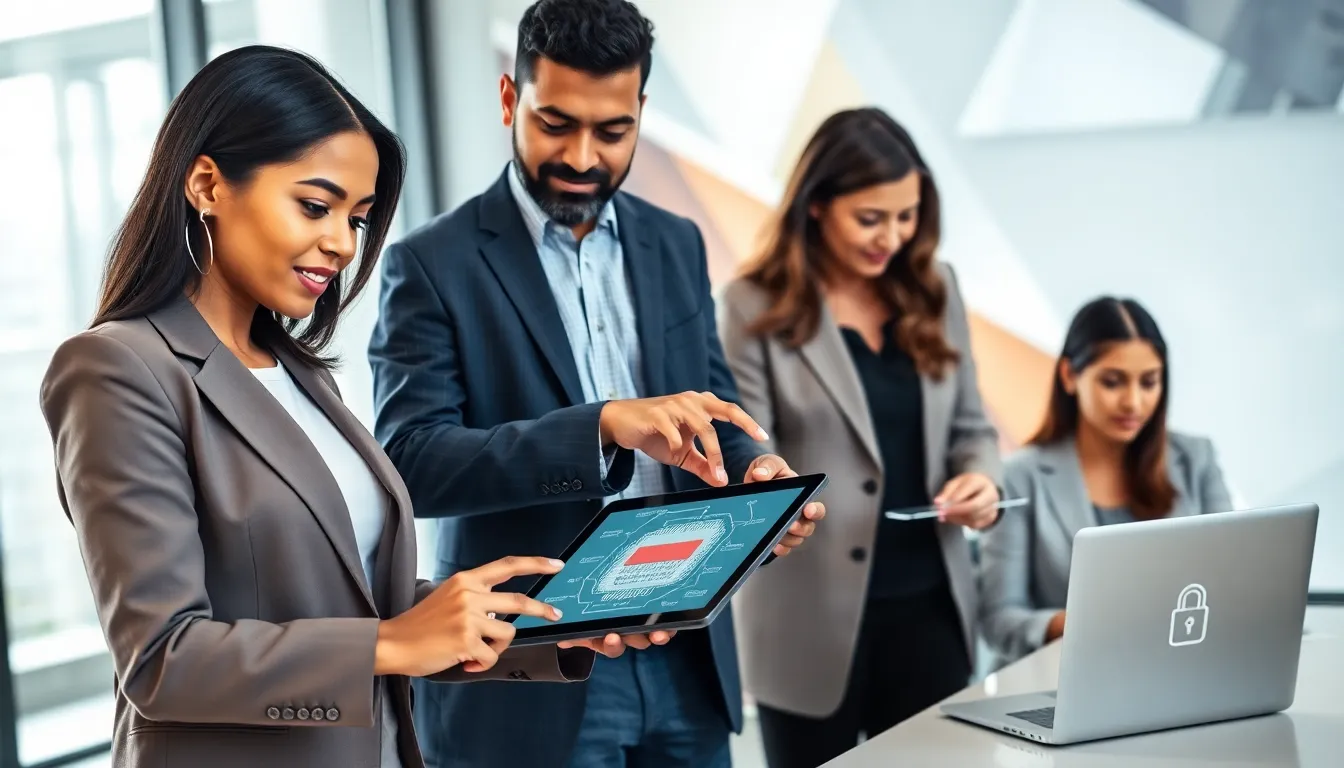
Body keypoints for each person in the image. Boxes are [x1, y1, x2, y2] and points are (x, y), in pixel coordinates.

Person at [38, 46, 590, 768]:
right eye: (315, 205)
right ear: (206, 184)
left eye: (357, 219)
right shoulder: (116, 369)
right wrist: (395, 641)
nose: (340, 244)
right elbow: (163, 659)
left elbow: (352, 603)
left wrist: (539, 624)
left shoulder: (300, 374)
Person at [367, 1, 823, 766]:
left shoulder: (675, 242)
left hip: (685, 649)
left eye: (612, 132)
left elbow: (711, 406)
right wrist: (601, 426)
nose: (582, 155)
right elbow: (410, 463)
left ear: (641, 112)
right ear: (511, 99)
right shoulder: (431, 264)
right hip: (531, 664)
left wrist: (756, 480)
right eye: (556, 123)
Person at [716, 107, 1003, 768]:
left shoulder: (936, 288)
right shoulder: (750, 307)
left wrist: (982, 480)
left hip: (932, 613)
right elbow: (745, 449)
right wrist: (763, 484)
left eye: (907, 217)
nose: (893, 237)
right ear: (816, 205)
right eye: (870, 219)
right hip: (805, 624)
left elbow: (973, 429)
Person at [978, 297, 1234, 667]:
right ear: (1069, 376)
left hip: (1179, 666)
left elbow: (1230, 578)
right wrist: (1071, 625)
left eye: (1149, 382)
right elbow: (999, 618)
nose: (1133, 402)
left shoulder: (1195, 459)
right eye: (1113, 382)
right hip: (1062, 676)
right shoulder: (1020, 476)